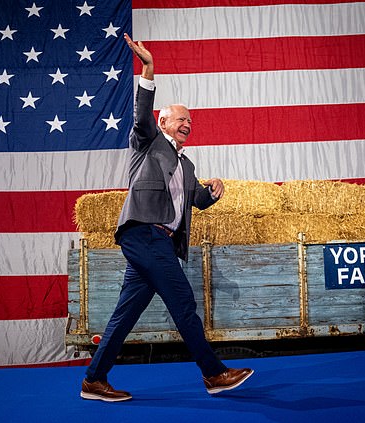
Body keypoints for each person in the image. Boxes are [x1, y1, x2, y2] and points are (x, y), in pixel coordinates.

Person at [79, 34, 254, 402]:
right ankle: (213, 373)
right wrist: (148, 69)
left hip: (161, 242)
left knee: (124, 315)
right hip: (143, 232)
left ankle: (94, 380)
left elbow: (195, 201)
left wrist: (213, 193)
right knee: (183, 301)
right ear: (163, 121)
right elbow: (141, 114)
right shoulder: (147, 141)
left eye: (191, 120)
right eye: (181, 119)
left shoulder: (187, 165)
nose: (188, 123)